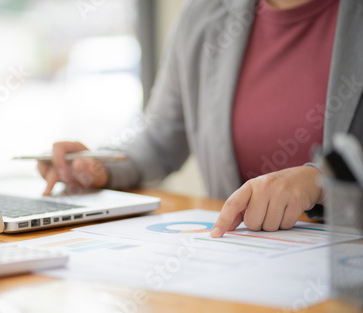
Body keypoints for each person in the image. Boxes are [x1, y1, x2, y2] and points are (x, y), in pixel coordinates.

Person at [38, 0, 363, 238]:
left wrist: (320, 181)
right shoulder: (202, 16)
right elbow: (160, 139)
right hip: (242, 259)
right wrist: (97, 166)